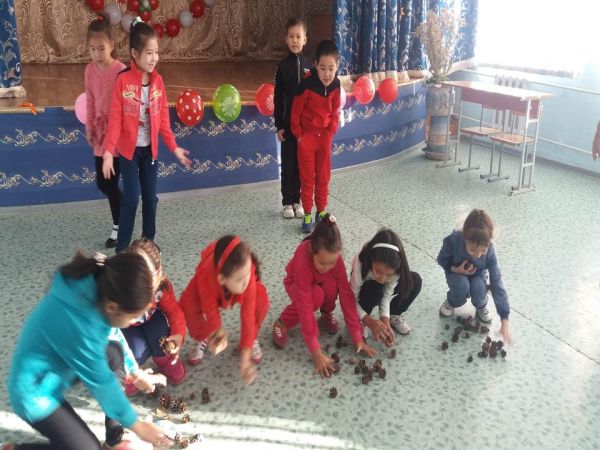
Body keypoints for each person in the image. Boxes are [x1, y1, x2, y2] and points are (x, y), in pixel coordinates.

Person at [6, 251, 172, 449]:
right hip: (32, 393)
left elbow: (113, 334)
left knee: (113, 352)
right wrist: (138, 426)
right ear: (113, 307)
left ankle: (114, 437)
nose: (133, 322)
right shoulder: (80, 327)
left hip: (56, 370)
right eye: (132, 317)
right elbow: (102, 383)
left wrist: (135, 373)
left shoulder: (101, 288)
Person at [102, 18, 191, 253]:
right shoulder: (122, 81)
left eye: (156, 52)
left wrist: (174, 147)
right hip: (128, 152)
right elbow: (115, 121)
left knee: (150, 198)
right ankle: (122, 249)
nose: (154, 58)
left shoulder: (158, 82)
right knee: (131, 198)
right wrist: (109, 152)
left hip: (150, 152)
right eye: (149, 53)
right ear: (135, 53)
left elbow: (164, 122)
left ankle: (148, 240)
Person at [272, 214, 377, 377]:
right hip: (296, 284)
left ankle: (326, 314)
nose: (328, 267)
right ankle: (281, 323)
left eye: (332, 263)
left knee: (332, 286)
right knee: (315, 296)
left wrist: (357, 337)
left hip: (320, 282)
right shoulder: (303, 257)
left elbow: (346, 295)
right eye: (322, 263)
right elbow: (305, 305)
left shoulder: (335, 259)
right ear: (312, 251)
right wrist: (316, 352)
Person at [180, 235, 270, 385]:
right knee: (189, 304)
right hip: (209, 285)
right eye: (241, 279)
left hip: (229, 285)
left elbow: (248, 316)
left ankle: (250, 339)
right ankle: (202, 337)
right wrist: (215, 332)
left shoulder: (246, 274)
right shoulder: (205, 274)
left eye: (249, 273)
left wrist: (245, 356)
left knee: (261, 300)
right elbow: (210, 308)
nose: (247, 281)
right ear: (222, 279)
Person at [122, 239, 187, 394]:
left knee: (160, 334)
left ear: (158, 275)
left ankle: (165, 360)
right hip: (126, 326)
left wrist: (178, 335)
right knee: (136, 350)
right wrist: (131, 373)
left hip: (152, 319)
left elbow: (174, 312)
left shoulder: (162, 288)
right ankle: (129, 371)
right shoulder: (120, 291)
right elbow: (109, 334)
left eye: (148, 286)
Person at [437, 209, 511, 342]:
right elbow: (441, 259)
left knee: (478, 288)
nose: (477, 255)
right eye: (472, 250)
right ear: (465, 237)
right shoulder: (453, 240)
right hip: (456, 273)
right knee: (461, 285)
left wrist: (504, 318)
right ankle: (452, 301)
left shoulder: (490, 250)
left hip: (478, 275)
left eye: (483, 251)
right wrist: (454, 269)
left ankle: (481, 306)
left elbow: (496, 281)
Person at [290, 40, 341, 233]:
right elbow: (296, 111)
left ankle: (321, 211)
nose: (327, 74)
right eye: (323, 68)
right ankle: (307, 214)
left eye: (331, 69)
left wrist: (331, 131)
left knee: (323, 177)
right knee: (307, 179)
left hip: (324, 139)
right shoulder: (306, 84)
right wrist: (299, 136)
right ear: (316, 66)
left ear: (337, 66)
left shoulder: (336, 85)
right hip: (307, 140)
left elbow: (335, 111)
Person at [84, 13, 126, 248]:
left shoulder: (120, 70)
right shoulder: (89, 71)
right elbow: (90, 100)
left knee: (110, 182)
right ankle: (126, 208)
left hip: (117, 136)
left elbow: (127, 104)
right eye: (92, 49)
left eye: (101, 48)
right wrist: (90, 127)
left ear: (111, 44)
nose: (97, 54)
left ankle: (119, 226)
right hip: (100, 134)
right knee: (103, 182)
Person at [349, 229, 422, 344]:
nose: (383, 279)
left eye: (389, 274)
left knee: (415, 281)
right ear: (371, 260)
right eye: (378, 271)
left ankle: (394, 314)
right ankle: (362, 320)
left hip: (379, 290)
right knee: (375, 290)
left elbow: (386, 295)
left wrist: (385, 321)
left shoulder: (397, 267)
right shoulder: (360, 263)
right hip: (366, 290)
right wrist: (369, 321)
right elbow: (350, 299)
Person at [274, 17, 312, 219]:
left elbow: (313, 98)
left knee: (300, 164)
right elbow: (278, 98)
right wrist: (279, 125)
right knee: (288, 164)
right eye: (291, 36)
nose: (295, 40)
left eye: (298, 36)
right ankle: (287, 202)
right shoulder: (282, 67)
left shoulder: (310, 66)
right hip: (288, 126)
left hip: (304, 128)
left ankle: (297, 200)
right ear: (285, 39)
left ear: (305, 39)